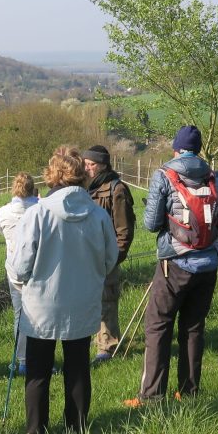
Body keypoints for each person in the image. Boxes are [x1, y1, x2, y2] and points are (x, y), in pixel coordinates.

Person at [12, 146, 118, 434]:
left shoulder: (37, 214)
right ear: (83, 176)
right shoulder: (97, 214)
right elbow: (110, 259)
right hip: (82, 299)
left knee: (38, 373)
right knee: (77, 368)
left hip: (42, 303)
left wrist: (23, 280)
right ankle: (77, 430)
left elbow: (20, 265)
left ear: (52, 175)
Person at [124, 125, 218, 406]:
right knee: (194, 326)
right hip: (208, 264)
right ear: (198, 150)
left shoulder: (164, 175)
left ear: (176, 148)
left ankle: (152, 395)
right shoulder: (216, 178)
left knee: (158, 325)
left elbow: (150, 224)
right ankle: (189, 391)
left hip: (175, 262)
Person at [83, 145, 135, 363]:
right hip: (86, 256)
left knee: (107, 300)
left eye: (91, 164)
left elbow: (124, 229)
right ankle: (92, 341)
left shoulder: (117, 189)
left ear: (103, 165)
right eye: (85, 164)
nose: (86, 169)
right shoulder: (86, 188)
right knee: (88, 301)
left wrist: (116, 257)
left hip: (107, 256)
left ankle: (107, 346)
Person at [0, 173, 39, 375]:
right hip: (38, 270)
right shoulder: (40, 209)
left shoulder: (4, 211)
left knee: (20, 315)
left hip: (14, 271)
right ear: (33, 189)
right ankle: (41, 359)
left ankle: (23, 361)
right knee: (41, 315)